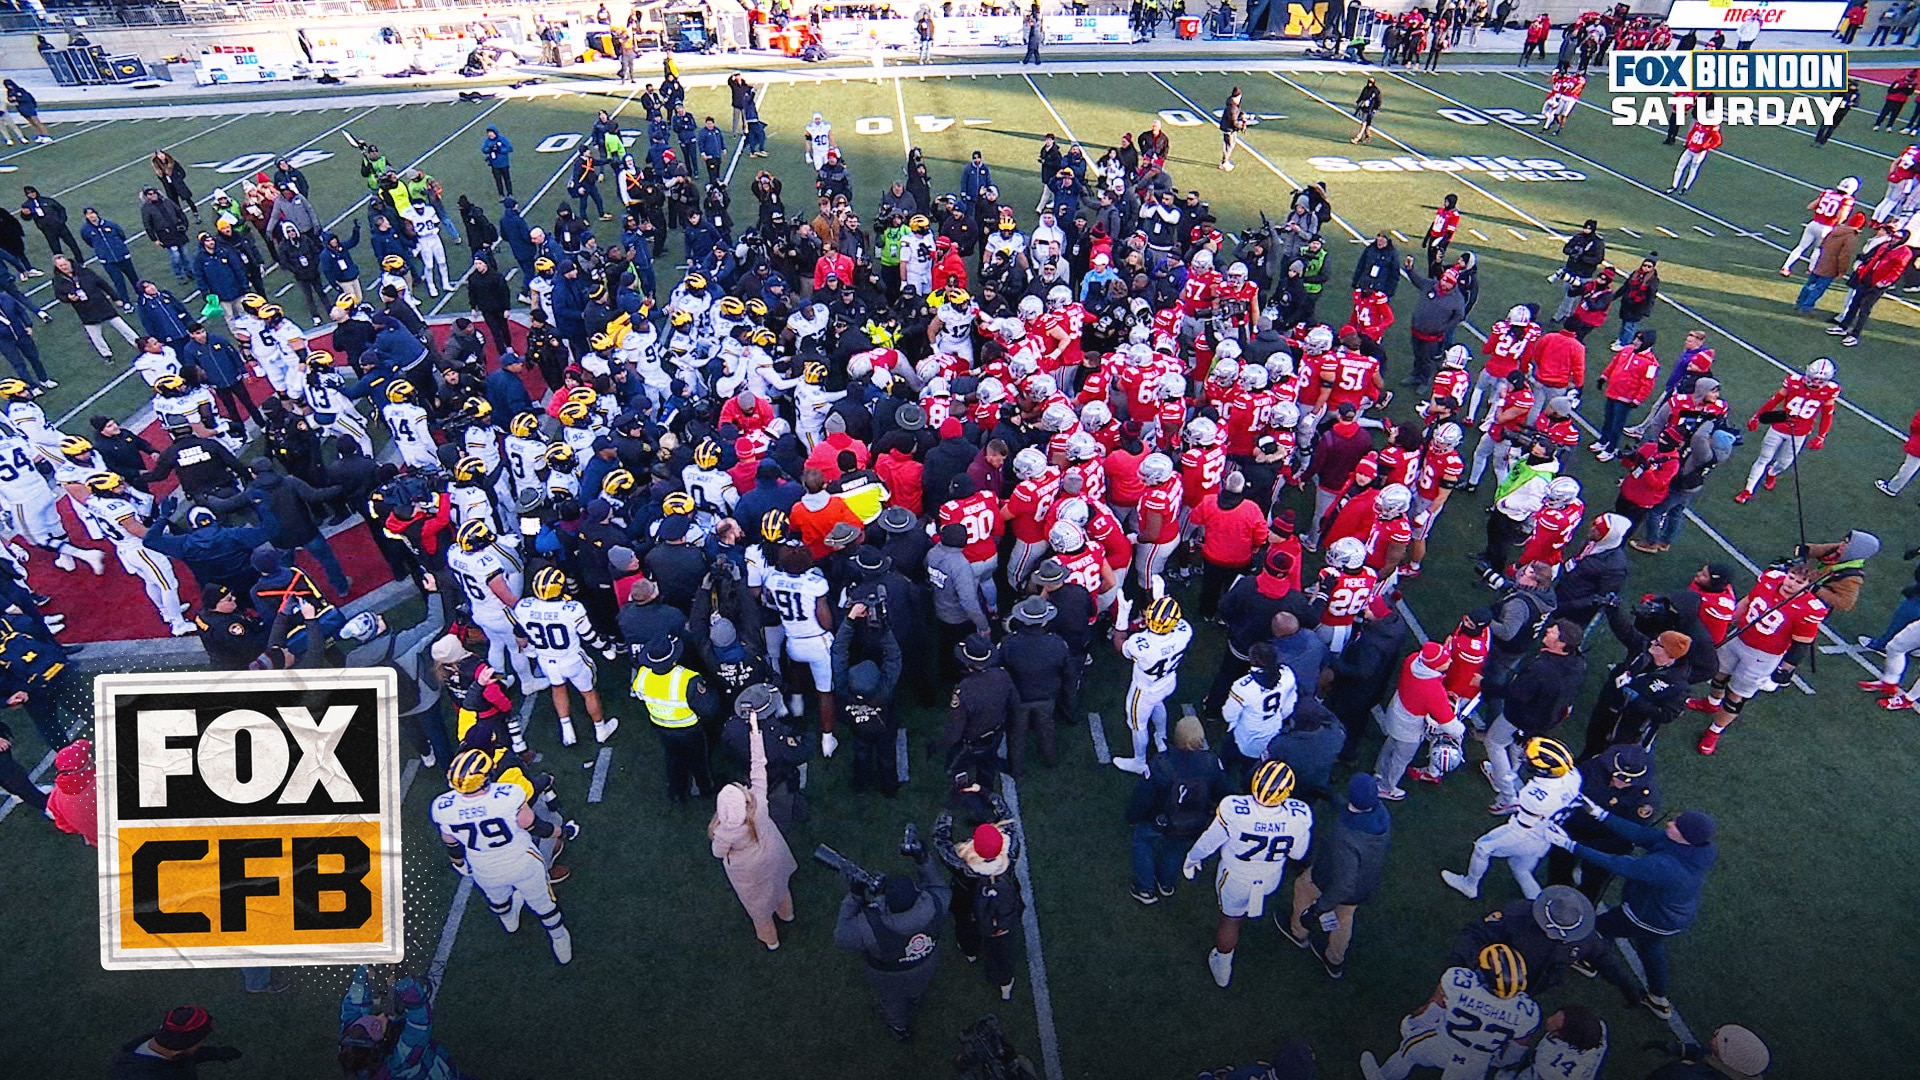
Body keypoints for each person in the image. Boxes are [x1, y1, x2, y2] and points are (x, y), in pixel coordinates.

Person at [1546, 805, 1718, 1019]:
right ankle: (1658, 997)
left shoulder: (1666, 867)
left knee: (1594, 929)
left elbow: (1617, 864)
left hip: (1648, 917)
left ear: (1686, 837)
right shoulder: (1694, 848)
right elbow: (1640, 834)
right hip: (1674, 918)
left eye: (1676, 825)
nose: (1670, 823)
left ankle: (1587, 962)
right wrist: (1601, 813)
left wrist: (1569, 845)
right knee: (1650, 947)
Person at [433, 749, 575, 964]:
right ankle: (558, 937)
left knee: (498, 900)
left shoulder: (442, 806)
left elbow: (450, 840)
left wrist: (459, 863)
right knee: (543, 903)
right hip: (521, 861)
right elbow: (535, 826)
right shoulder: (509, 795)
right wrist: (563, 832)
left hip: (484, 868)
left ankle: (509, 920)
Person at [1182, 760, 1313, 988]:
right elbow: (1298, 853)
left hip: (1236, 877)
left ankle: (1222, 967)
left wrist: (1193, 858)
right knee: (1241, 911)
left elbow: (1210, 841)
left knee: (1230, 920)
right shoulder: (1300, 814)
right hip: (1270, 876)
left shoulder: (1234, 808)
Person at [1686, 560, 1827, 755]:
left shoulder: (1810, 609)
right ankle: (1711, 702)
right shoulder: (1770, 578)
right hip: (1739, 637)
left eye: (1799, 582)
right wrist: (1727, 621)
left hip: (1763, 656)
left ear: (1808, 586)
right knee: (1718, 674)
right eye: (1791, 577)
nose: (1791, 583)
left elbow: (1801, 643)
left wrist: (1786, 668)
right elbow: (1748, 601)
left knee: (1736, 695)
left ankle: (1714, 731)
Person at [1358, 944, 1540, 1080]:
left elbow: (1433, 1007)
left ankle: (1384, 1076)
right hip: (1477, 1061)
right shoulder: (1527, 1012)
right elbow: (1519, 1047)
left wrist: (1411, 1024)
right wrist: (1501, 1062)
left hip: (1441, 1043)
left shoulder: (1458, 981)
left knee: (1408, 1051)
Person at [832, 836, 951, 1040]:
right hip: (926, 965)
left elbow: (841, 935)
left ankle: (899, 1027)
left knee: (894, 1003)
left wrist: (855, 895)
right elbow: (938, 886)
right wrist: (923, 859)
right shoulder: (936, 904)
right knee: (917, 989)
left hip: (890, 978)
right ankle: (915, 998)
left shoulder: (871, 927)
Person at [1440, 736, 1580, 901]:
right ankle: (1541, 909)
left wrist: (1493, 843)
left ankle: (1469, 885)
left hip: (1528, 833)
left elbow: (1520, 828)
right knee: (1520, 869)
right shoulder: (1574, 777)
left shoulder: (1534, 796)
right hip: (1547, 834)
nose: (1526, 759)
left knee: (1482, 848)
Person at [1281, 773, 1390, 980]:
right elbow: (1353, 811)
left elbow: (1343, 886)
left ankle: (1298, 933)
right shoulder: (1381, 815)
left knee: (1303, 888)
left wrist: (1316, 911)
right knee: (1345, 917)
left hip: (1329, 880)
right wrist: (1332, 797)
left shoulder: (1345, 835)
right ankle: (1335, 960)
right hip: (1364, 885)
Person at [710, 699, 799, 950]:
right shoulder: (758, 803)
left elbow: (718, 853)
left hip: (748, 873)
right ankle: (788, 914)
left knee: (758, 908)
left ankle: (771, 941)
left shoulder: (723, 832)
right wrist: (755, 730)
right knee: (780, 886)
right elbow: (758, 766)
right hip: (773, 855)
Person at [935, 818, 1024, 1000]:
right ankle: (1005, 984)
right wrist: (989, 796)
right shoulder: (1011, 855)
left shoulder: (961, 866)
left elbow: (941, 843)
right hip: (1000, 919)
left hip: (968, 908)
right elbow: (1010, 823)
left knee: (965, 928)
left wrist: (944, 819)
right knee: (1001, 951)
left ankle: (970, 952)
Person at [1110, 594, 1194, 775]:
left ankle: (1139, 761)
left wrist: (1122, 616)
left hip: (1144, 689)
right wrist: (1160, 597)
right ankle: (1161, 737)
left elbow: (1119, 644)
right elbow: (1171, 622)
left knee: (1137, 725)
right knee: (1158, 704)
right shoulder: (1185, 631)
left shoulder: (1142, 645)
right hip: (1168, 681)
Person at [634, 634, 719, 802]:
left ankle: (676, 792)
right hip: (689, 729)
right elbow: (708, 708)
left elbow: (641, 694)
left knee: (673, 759)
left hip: (661, 727)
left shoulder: (642, 675)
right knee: (699, 761)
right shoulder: (687, 679)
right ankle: (705, 788)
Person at [336, 966, 461, 1079]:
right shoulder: (402, 1060)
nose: (381, 1016)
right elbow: (420, 1019)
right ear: (380, 1045)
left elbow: (355, 999)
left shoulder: (353, 1042)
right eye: (378, 1025)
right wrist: (403, 981)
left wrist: (366, 964)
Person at [107, 1007, 243, 1078]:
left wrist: (216, 1053)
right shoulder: (137, 1075)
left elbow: (188, 1054)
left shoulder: (165, 1043)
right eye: (201, 1041)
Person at [1218, 86, 1247, 171]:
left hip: (1229, 128)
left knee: (1231, 144)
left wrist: (1242, 114)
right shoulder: (1232, 108)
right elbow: (1234, 122)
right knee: (1229, 146)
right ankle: (1224, 163)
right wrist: (1241, 126)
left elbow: (1238, 111)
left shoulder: (1233, 104)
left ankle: (1225, 161)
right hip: (1229, 129)